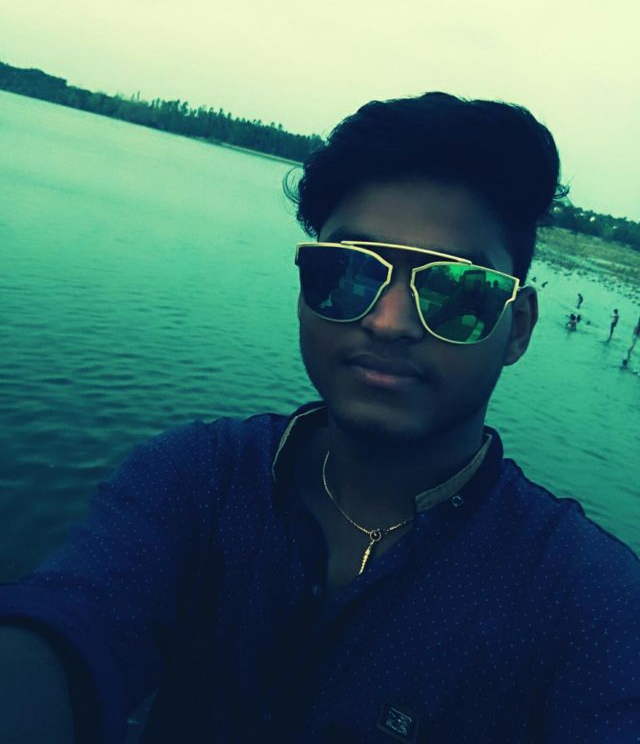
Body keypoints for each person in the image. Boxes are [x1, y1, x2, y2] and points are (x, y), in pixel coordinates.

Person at [1, 92, 639, 744]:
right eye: (349, 273)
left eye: (453, 291)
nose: (387, 322)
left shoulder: (587, 599)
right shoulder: (196, 481)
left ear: (517, 328)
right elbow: (72, 622)